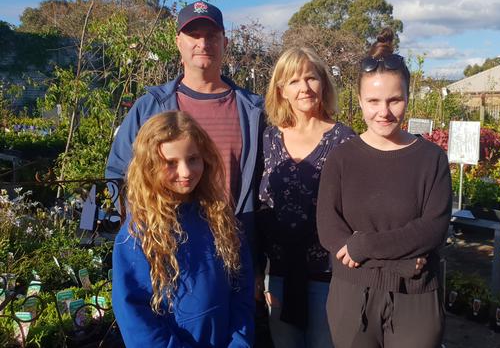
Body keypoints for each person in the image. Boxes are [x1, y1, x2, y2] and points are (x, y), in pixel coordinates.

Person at [316, 28, 452, 348]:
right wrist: (401, 263)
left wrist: (363, 247)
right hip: (352, 299)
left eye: (395, 100)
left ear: (408, 97)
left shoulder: (431, 159)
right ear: (360, 100)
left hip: (415, 299)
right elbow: (328, 229)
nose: (384, 112)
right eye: (373, 101)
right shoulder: (341, 158)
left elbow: (432, 231)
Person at [105, 0, 264, 247]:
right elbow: (118, 173)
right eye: (194, 35)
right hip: (169, 247)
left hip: (236, 248)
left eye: (212, 35)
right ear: (178, 42)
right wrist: (146, 225)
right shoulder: (150, 108)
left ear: (225, 43)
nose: (203, 43)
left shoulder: (254, 111)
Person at [112, 111, 254, 347]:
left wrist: (239, 343)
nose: (186, 172)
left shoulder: (220, 218)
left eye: (193, 159)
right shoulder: (137, 235)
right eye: (170, 163)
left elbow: (242, 292)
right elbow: (137, 320)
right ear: (150, 167)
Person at [257, 47, 355, 348]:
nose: (304, 88)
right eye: (294, 81)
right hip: (280, 276)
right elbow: (261, 204)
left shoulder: (343, 140)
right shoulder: (269, 138)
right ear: (281, 90)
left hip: (328, 276)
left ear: (323, 83)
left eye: (311, 78)